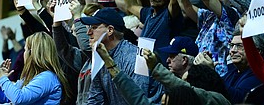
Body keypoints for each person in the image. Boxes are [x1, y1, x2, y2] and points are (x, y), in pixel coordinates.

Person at [95, 43, 231, 104]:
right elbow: (138, 98)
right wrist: (109, 63)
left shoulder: (217, 101)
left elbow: (182, 87)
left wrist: (155, 68)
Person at [80, 8, 163, 104]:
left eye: (94, 27)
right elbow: (95, 99)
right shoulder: (99, 58)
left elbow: (138, 101)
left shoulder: (136, 58)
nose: (88, 32)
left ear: (110, 30)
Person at [114, 0, 183, 62]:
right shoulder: (148, 13)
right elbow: (131, 5)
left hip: (162, 68)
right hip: (143, 67)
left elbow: (174, 2)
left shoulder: (169, 13)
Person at [0, 32, 70, 104]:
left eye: (25, 50)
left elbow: (19, 99)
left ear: (33, 53)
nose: (23, 54)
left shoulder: (47, 77)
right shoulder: (29, 78)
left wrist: (1, 76)